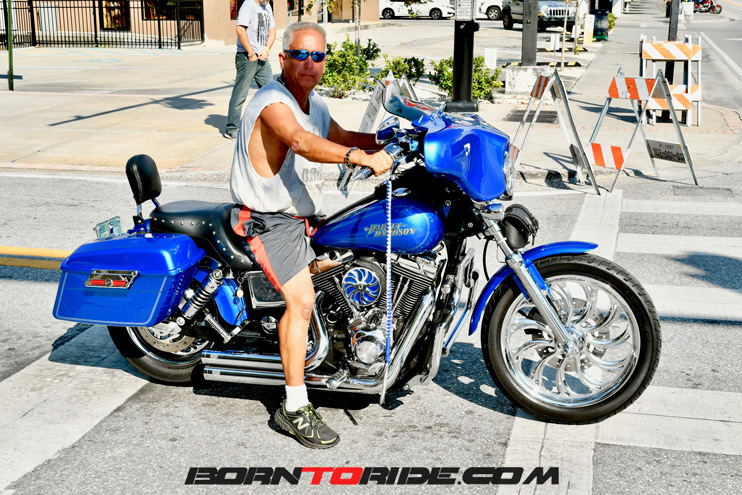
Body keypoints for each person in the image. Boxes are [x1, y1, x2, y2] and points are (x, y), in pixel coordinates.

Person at [229, 22, 393, 449]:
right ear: (283, 58)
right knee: (301, 303)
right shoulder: (272, 102)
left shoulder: (313, 103)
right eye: (301, 54)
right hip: (268, 220)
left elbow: (344, 137)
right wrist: (358, 157)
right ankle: (295, 406)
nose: (309, 63)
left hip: (303, 217)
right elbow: (301, 142)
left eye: (318, 56)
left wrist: (395, 141)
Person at [225, 0, 276, 140]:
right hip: (247, 58)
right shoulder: (248, 4)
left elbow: (272, 31)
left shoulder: (267, 6)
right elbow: (240, 29)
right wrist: (251, 53)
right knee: (240, 94)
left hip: (262, 58)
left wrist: (266, 50)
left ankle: (272, 125)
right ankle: (232, 128)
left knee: (272, 93)